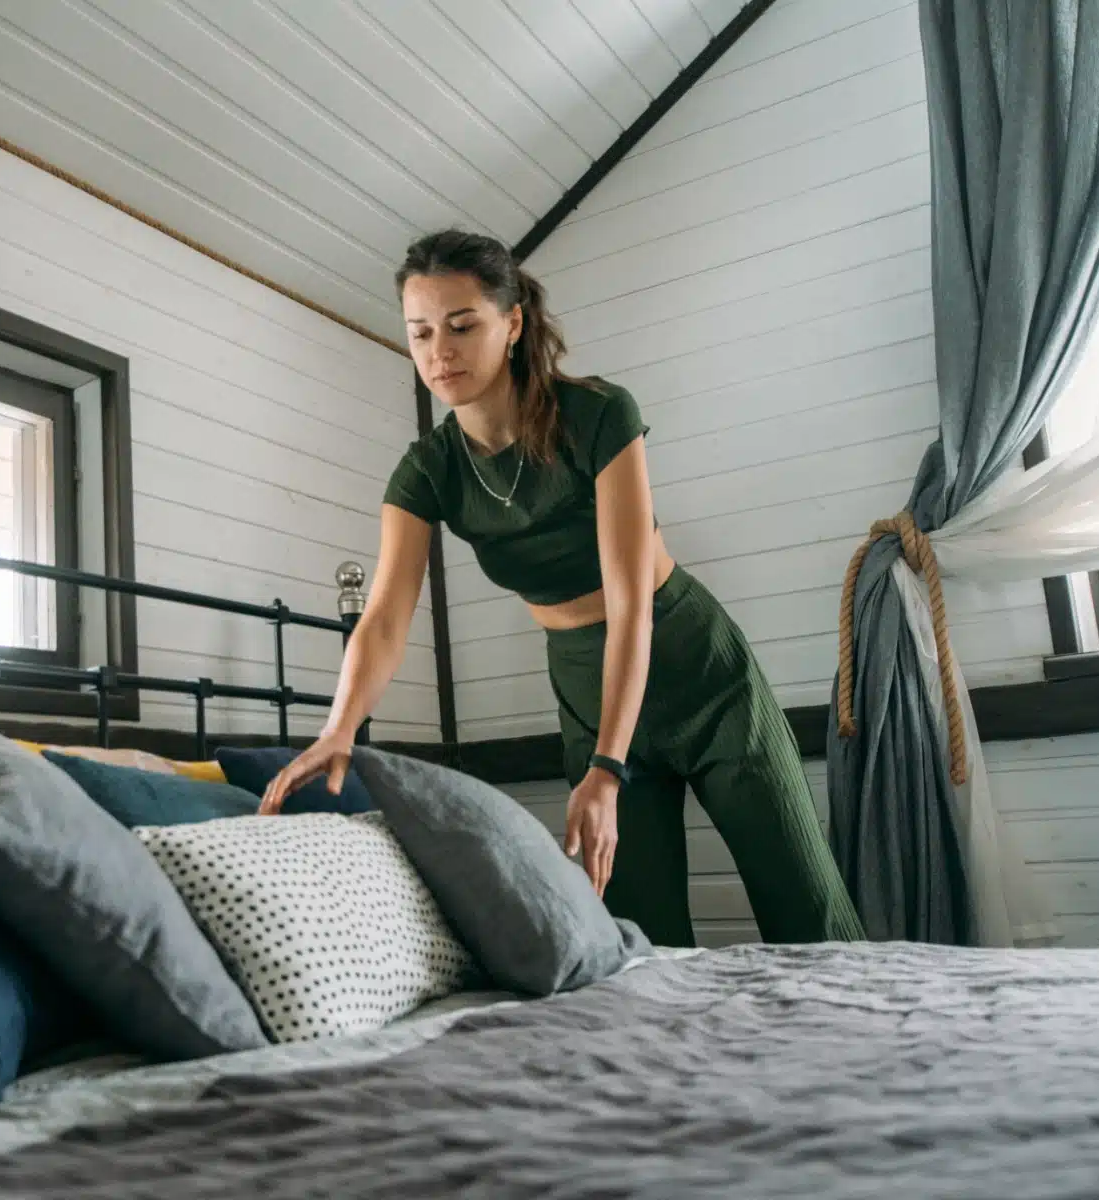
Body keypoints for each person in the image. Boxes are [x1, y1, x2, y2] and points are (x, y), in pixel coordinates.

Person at [258, 230, 863, 948]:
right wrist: (339, 728)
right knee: (640, 932)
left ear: (511, 324)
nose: (438, 352)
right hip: (584, 677)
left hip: (691, 662)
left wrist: (608, 765)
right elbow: (386, 615)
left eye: (461, 326)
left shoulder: (599, 414)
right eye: (419, 333)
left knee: (806, 904)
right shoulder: (427, 471)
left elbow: (632, 599)